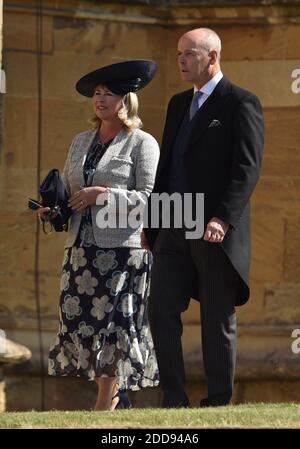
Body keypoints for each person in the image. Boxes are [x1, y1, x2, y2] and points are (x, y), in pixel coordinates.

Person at [144, 28, 264, 408]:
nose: (180, 60)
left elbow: (246, 169)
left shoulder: (240, 102)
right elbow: (167, 169)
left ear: (212, 57)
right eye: (178, 54)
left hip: (213, 227)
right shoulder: (177, 103)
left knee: (216, 318)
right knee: (160, 309)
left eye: (188, 54)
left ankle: (217, 400)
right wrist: (153, 222)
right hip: (172, 223)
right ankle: (174, 399)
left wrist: (223, 218)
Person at [37, 60, 160, 410]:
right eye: (96, 94)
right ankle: (113, 396)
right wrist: (56, 209)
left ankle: (106, 401)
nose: (100, 100)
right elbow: (71, 191)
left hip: (122, 251)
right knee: (81, 321)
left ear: (126, 100)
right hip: (79, 247)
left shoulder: (142, 143)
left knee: (115, 326)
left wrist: (101, 195)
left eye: (108, 94)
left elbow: (149, 199)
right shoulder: (80, 141)